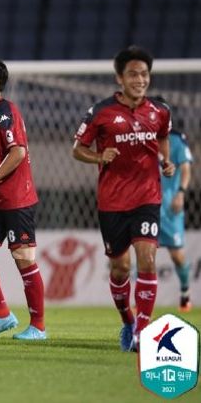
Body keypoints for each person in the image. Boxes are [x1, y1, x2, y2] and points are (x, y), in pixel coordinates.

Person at [73, 45, 174, 352]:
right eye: (133, 74)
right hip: (113, 202)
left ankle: (143, 333)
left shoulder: (160, 111)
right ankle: (128, 321)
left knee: (147, 259)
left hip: (147, 197)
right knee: (120, 268)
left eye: (144, 74)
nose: (140, 80)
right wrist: (99, 156)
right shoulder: (101, 112)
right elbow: (77, 149)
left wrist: (166, 162)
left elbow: (163, 136)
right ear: (120, 78)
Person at [0, 59, 46, 340]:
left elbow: (18, 153)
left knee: (24, 258)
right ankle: (2, 314)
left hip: (15, 198)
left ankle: (38, 326)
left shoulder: (5, 112)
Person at [154, 100, 193, 312]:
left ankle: (185, 291)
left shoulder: (176, 140)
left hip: (169, 206)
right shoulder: (141, 136)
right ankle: (142, 299)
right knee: (144, 253)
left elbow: (185, 168)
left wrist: (181, 192)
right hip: (146, 203)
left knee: (177, 255)